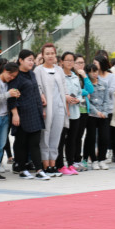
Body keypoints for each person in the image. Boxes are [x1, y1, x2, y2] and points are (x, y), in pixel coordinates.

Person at [8, 49, 50, 181]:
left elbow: (36, 92)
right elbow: (11, 96)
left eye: (33, 60)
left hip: (34, 112)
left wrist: (40, 109)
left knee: (35, 143)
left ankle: (39, 169)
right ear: (20, 60)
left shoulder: (32, 74)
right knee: (21, 143)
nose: (32, 62)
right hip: (21, 114)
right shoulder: (16, 75)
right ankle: (22, 169)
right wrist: (15, 114)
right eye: (29, 60)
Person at [34, 44, 68, 177]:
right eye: (47, 53)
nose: (50, 56)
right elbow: (38, 89)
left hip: (59, 107)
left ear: (55, 54)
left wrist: (67, 104)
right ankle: (45, 165)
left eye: (52, 53)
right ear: (42, 55)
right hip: (46, 107)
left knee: (56, 135)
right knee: (45, 135)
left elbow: (64, 89)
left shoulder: (59, 70)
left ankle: (53, 165)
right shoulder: (38, 70)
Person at [56, 52, 88, 175]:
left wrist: (78, 99)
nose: (69, 62)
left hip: (75, 112)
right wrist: (66, 97)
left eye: (71, 60)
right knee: (61, 140)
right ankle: (60, 165)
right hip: (63, 112)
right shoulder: (59, 77)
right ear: (62, 62)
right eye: (67, 60)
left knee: (72, 140)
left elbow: (80, 93)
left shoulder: (75, 77)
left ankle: (70, 163)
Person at [85, 63, 113, 170]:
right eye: (91, 71)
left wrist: (105, 112)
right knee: (91, 138)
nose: (94, 74)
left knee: (104, 137)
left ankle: (102, 159)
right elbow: (88, 101)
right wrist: (96, 112)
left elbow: (107, 99)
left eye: (95, 71)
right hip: (92, 115)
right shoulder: (86, 85)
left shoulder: (104, 83)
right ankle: (94, 160)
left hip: (103, 115)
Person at [73, 54, 93, 170]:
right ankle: (73, 159)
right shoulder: (71, 76)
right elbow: (76, 91)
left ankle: (78, 159)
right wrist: (84, 93)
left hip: (85, 109)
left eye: (82, 62)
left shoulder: (83, 76)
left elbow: (91, 89)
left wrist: (85, 76)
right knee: (74, 136)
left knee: (80, 136)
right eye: (78, 63)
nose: (81, 65)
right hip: (76, 109)